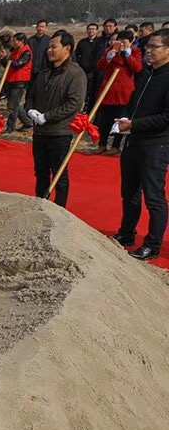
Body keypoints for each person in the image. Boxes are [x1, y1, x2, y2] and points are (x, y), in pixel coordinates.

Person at [110, 28, 169, 261]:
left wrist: (134, 124)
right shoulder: (146, 74)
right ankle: (126, 233)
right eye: (147, 47)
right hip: (134, 140)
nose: (148, 51)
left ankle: (152, 244)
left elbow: (166, 117)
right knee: (129, 192)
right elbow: (134, 104)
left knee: (154, 196)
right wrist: (126, 120)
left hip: (156, 144)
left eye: (154, 47)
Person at [26, 29, 87, 207]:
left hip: (60, 132)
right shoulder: (44, 73)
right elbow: (31, 95)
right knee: (41, 173)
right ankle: (41, 204)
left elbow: (74, 103)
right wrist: (30, 110)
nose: (49, 50)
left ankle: (60, 210)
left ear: (67, 48)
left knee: (59, 174)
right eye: (48, 47)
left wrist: (47, 117)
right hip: (40, 132)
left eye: (54, 47)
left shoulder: (75, 74)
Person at [95, 30, 143, 154]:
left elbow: (137, 68)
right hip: (109, 90)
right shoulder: (110, 50)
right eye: (119, 40)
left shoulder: (135, 52)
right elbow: (100, 66)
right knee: (105, 120)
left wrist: (127, 54)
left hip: (124, 92)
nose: (121, 43)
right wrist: (110, 55)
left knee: (120, 119)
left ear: (131, 42)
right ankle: (102, 144)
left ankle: (116, 146)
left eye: (124, 41)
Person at [4, 32, 34, 132]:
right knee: (16, 104)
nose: (13, 42)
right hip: (11, 79)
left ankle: (10, 127)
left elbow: (18, 64)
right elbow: (7, 65)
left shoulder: (26, 52)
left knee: (12, 106)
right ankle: (28, 123)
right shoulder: (15, 50)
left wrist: (9, 61)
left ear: (22, 41)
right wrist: (4, 58)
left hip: (20, 82)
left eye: (15, 41)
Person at [75, 23, 102, 112]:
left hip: (95, 72)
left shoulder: (100, 42)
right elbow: (76, 54)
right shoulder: (82, 42)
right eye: (89, 29)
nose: (91, 31)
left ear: (97, 31)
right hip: (82, 71)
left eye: (93, 29)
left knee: (92, 92)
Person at [27, 19, 50, 89]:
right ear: (36, 27)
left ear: (46, 28)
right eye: (39, 26)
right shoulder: (30, 40)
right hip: (31, 71)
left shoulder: (49, 40)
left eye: (42, 27)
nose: (40, 28)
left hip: (44, 71)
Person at [0, 27, 14, 91]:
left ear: (10, 37)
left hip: (6, 71)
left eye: (7, 36)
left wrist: (6, 57)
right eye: (3, 36)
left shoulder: (12, 48)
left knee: (5, 87)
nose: (5, 37)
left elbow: (12, 59)